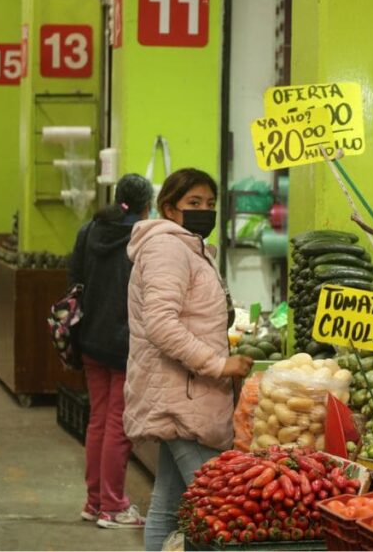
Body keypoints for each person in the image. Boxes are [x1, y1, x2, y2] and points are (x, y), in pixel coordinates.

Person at [124, 168, 254, 552]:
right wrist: (218, 364)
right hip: (182, 396)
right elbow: (161, 324)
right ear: (169, 208)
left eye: (210, 204)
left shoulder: (189, 247)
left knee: (168, 505)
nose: (204, 211)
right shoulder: (168, 248)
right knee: (220, 503)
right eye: (193, 203)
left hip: (184, 395)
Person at [68, 174, 154, 530]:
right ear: (146, 204)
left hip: (89, 338)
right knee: (118, 425)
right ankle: (114, 507)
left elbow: (73, 277)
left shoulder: (90, 230)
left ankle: (94, 501)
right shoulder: (144, 237)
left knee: (99, 420)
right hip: (124, 343)